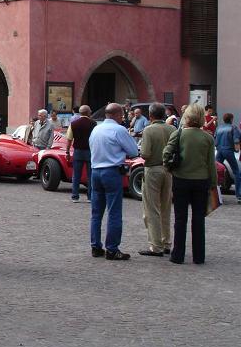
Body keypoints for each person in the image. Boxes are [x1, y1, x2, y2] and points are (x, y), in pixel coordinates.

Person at [164, 104, 218, 264]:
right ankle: (199, 256)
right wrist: (213, 183)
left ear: (186, 117)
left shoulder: (178, 134)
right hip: (201, 181)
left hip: (181, 180)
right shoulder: (208, 138)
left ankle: (178, 255)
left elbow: (166, 153)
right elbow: (211, 164)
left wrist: (170, 169)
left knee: (180, 219)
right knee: (198, 219)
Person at [88, 102, 139, 260]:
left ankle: (95, 246)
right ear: (118, 115)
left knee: (96, 213)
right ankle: (112, 248)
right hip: (112, 171)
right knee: (114, 212)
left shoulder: (96, 129)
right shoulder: (119, 130)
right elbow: (132, 150)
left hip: (95, 171)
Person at [137, 103, 176, 257]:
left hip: (153, 169)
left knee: (152, 209)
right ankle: (166, 242)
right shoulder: (172, 129)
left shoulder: (149, 130)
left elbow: (145, 153)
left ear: (151, 116)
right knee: (166, 207)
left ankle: (156, 245)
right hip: (168, 170)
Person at [65, 105, 96, 202]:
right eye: (90, 111)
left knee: (76, 175)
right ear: (87, 112)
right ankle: (90, 197)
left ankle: (75, 196)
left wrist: (67, 151)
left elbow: (69, 139)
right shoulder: (93, 123)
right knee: (90, 175)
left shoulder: (73, 124)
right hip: (90, 151)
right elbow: (96, 138)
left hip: (77, 151)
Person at [214, 113, 240, 204]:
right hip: (228, 150)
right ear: (231, 119)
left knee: (215, 171)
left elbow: (215, 140)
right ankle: (239, 195)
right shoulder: (233, 128)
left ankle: (214, 194)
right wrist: (237, 150)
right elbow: (236, 140)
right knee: (236, 172)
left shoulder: (219, 128)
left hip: (219, 151)